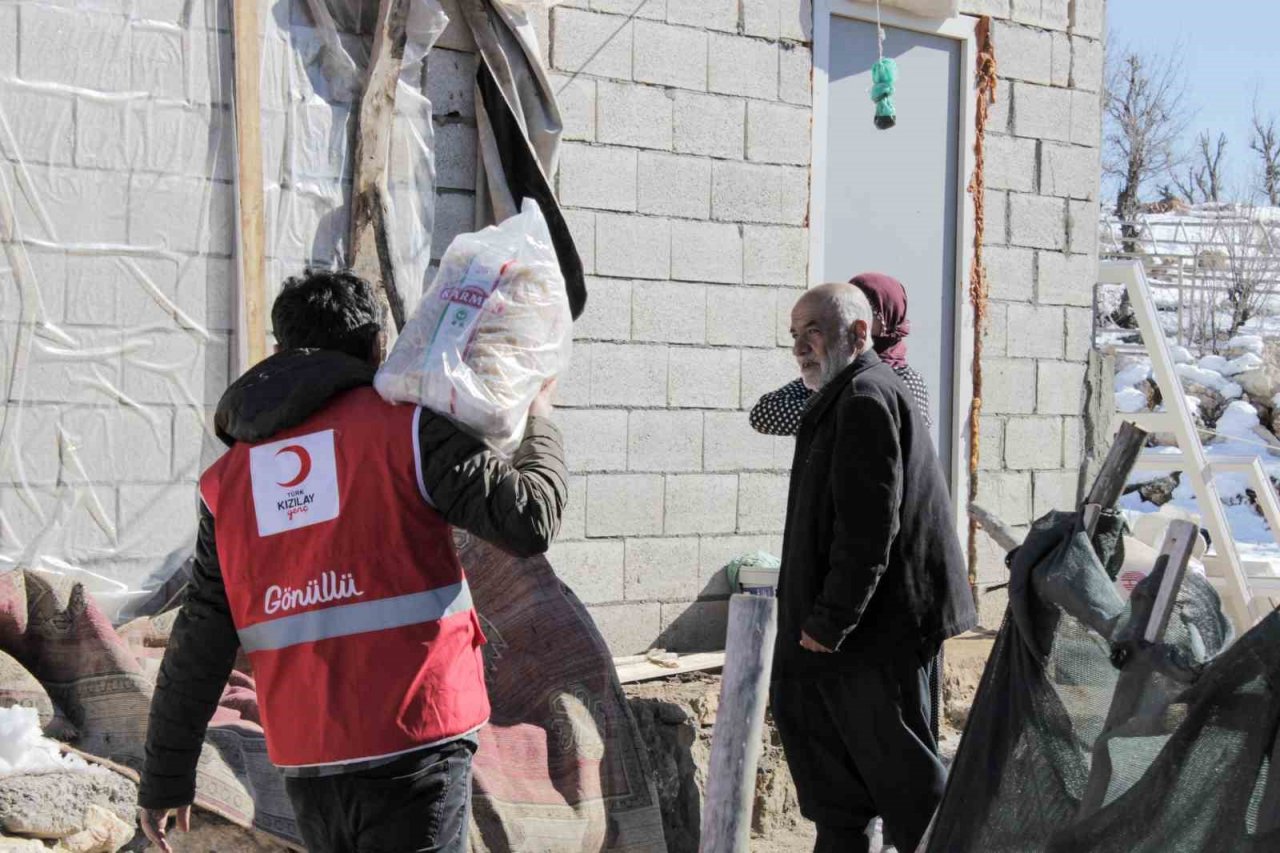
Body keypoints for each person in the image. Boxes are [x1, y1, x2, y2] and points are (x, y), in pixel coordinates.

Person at [137, 270, 566, 853]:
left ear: (281, 351)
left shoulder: (228, 481)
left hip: (309, 758)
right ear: (375, 348)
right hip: (419, 738)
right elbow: (530, 519)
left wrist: (165, 777)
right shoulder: (409, 431)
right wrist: (539, 416)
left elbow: (201, 636)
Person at [771, 283, 976, 853]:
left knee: (909, 793)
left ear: (858, 334)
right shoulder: (844, 395)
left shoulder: (864, 396)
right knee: (841, 797)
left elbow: (868, 530)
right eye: (793, 336)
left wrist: (829, 620)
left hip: (873, 637)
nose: (799, 348)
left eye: (812, 331)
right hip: (849, 638)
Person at [750, 272, 932, 436]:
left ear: (890, 317)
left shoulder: (904, 381)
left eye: (868, 311)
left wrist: (825, 411)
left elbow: (880, 431)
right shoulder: (834, 371)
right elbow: (764, 413)